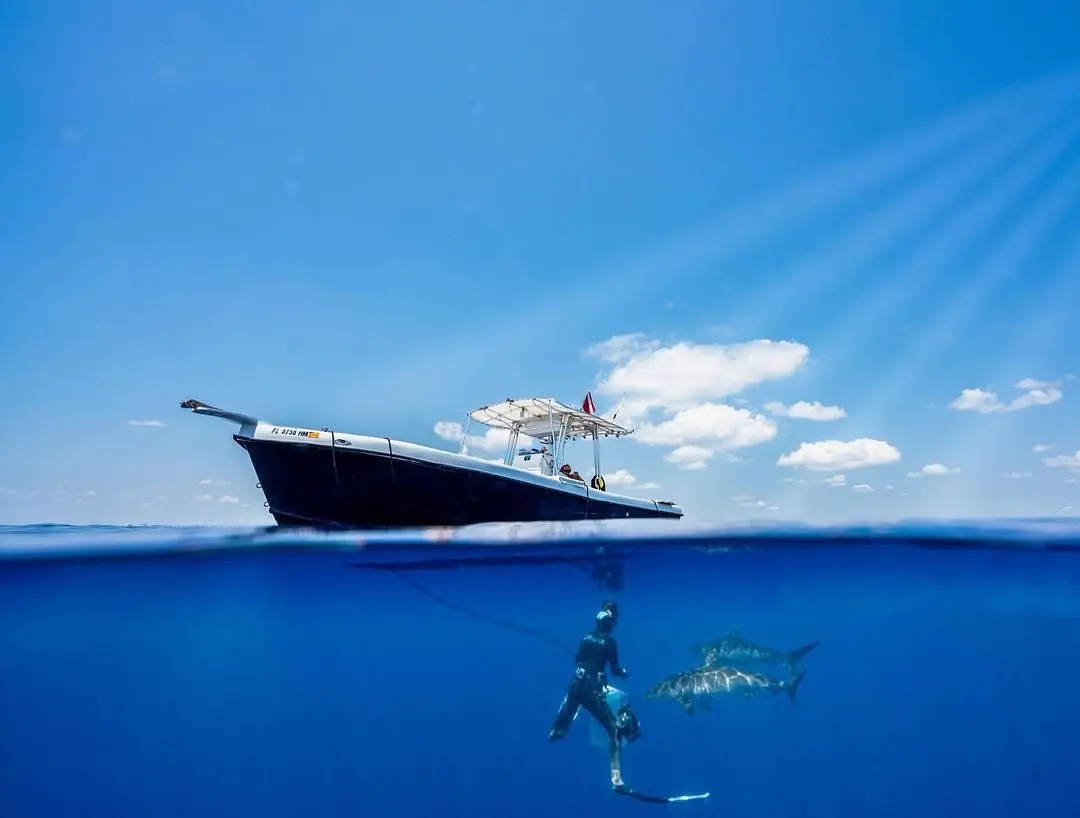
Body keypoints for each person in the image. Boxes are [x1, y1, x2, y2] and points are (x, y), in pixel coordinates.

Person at [548, 601, 637, 789]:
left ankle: (556, 730)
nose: (615, 624)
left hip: (575, 686)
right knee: (614, 732)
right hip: (591, 691)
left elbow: (578, 660)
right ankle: (616, 779)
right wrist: (623, 672)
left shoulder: (586, 636)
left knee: (565, 716)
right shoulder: (610, 643)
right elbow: (614, 670)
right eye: (614, 621)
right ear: (610, 621)